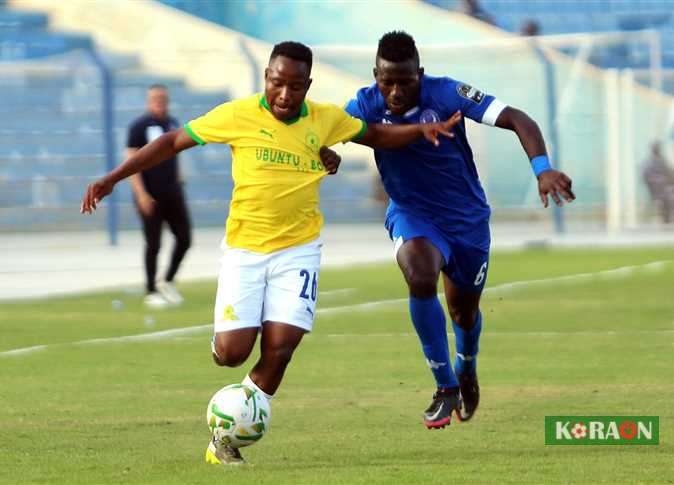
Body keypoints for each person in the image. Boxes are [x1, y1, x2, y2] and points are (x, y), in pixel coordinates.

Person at [81, 41, 463, 465]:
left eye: (295, 86)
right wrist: (113, 178)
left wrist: (419, 131)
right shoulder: (236, 115)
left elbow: (375, 135)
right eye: (277, 83)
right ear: (266, 76)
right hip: (245, 249)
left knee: (282, 344)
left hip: (298, 251)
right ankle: (225, 353)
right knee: (232, 354)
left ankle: (228, 436)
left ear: (308, 85)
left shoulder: (325, 119)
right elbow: (171, 142)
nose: (284, 94)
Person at [343, 31, 575, 429]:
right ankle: (445, 385)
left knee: (462, 313)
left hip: (465, 220)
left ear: (420, 73)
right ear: (375, 76)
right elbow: (327, 130)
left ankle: (466, 364)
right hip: (413, 213)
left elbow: (518, 118)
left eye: (405, 80)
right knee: (419, 273)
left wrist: (543, 169)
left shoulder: (448, 93)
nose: (395, 91)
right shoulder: (363, 103)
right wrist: (328, 150)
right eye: (387, 81)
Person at [127, 84, 191, 308]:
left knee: (184, 238)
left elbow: (177, 153)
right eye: (155, 98)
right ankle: (151, 290)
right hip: (150, 194)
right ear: (148, 100)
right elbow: (131, 162)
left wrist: (180, 177)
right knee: (153, 243)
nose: (159, 101)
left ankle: (168, 280)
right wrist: (141, 195)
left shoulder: (172, 124)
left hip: (173, 191)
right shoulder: (139, 126)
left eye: (163, 98)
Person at [642, 141, 674, 224]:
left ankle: (667, 218)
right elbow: (646, 176)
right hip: (658, 190)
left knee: (670, 194)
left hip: (665, 188)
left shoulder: (662, 161)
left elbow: (670, 173)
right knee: (669, 196)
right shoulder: (649, 163)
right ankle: (666, 218)